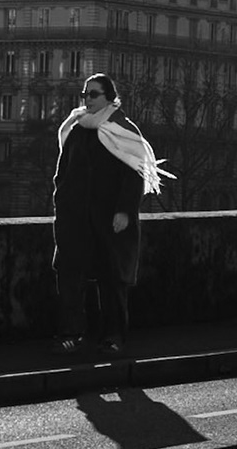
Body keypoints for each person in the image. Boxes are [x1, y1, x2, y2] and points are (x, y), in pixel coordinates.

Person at [51, 73, 171, 357]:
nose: (86, 100)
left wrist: (125, 211)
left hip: (110, 221)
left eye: (93, 94)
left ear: (109, 97)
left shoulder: (123, 130)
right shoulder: (77, 129)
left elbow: (134, 176)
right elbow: (63, 172)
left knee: (112, 279)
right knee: (70, 276)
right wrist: (62, 202)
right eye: (84, 94)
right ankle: (72, 334)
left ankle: (113, 336)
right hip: (77, 219)